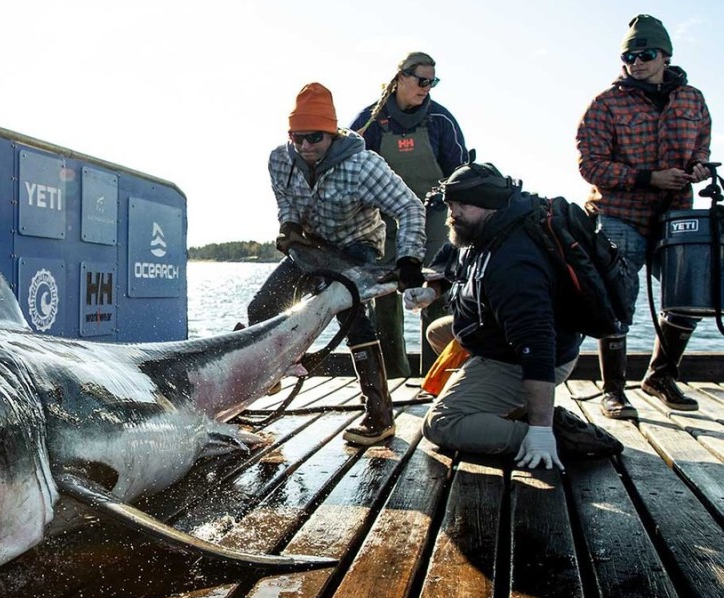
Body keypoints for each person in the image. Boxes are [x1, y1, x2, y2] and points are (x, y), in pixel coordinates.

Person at [248, 82, 427, 446]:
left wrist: (409, 258)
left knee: (349, 314)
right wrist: (289, 224)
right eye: (296, 137)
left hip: (357, 245)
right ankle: (272, 372)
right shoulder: (279, 159)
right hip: (311, 244)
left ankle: (379, 417)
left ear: (331, 134)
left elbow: (410, 207)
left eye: (314, 138)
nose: (304, 146)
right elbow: (284, 199)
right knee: (261, 307)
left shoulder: (363, 166)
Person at [409, 163, 618, 470]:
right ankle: (505, 403)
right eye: (451, 204)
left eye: (461, 206)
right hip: (495, 336)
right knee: (439, 333)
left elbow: (538, 347)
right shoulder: (483, 228)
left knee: (441, 423)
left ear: (487, 203)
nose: (452, 214)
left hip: (528, 357)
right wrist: (431, 292)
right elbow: (452, 263)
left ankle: (553, 435)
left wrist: (541, 431)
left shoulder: (514, 264)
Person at [576, 14, 713, 418]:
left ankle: (660, 376)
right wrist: (649, 177)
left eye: (646, 54)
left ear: (665, 55)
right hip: (619, 214)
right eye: (629, 55)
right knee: (618, 300)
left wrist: (700, 166)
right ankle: (614, 390)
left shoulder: (693, 99)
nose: (636, 61)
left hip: (676, 216)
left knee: (690, 294)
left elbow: (701, 145)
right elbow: (592, 167)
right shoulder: (604, 105)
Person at [352, 52, 470, 379]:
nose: (426, 88)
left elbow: (460, 174)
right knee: (385, 303)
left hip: (434, 218)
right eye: (421, 80)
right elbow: (350, 171)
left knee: (435, 296)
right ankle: (393, 377)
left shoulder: (441, 121)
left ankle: (437, 379)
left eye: (433, 82)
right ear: (401, 77)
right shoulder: (370, 122)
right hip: (383, 221)